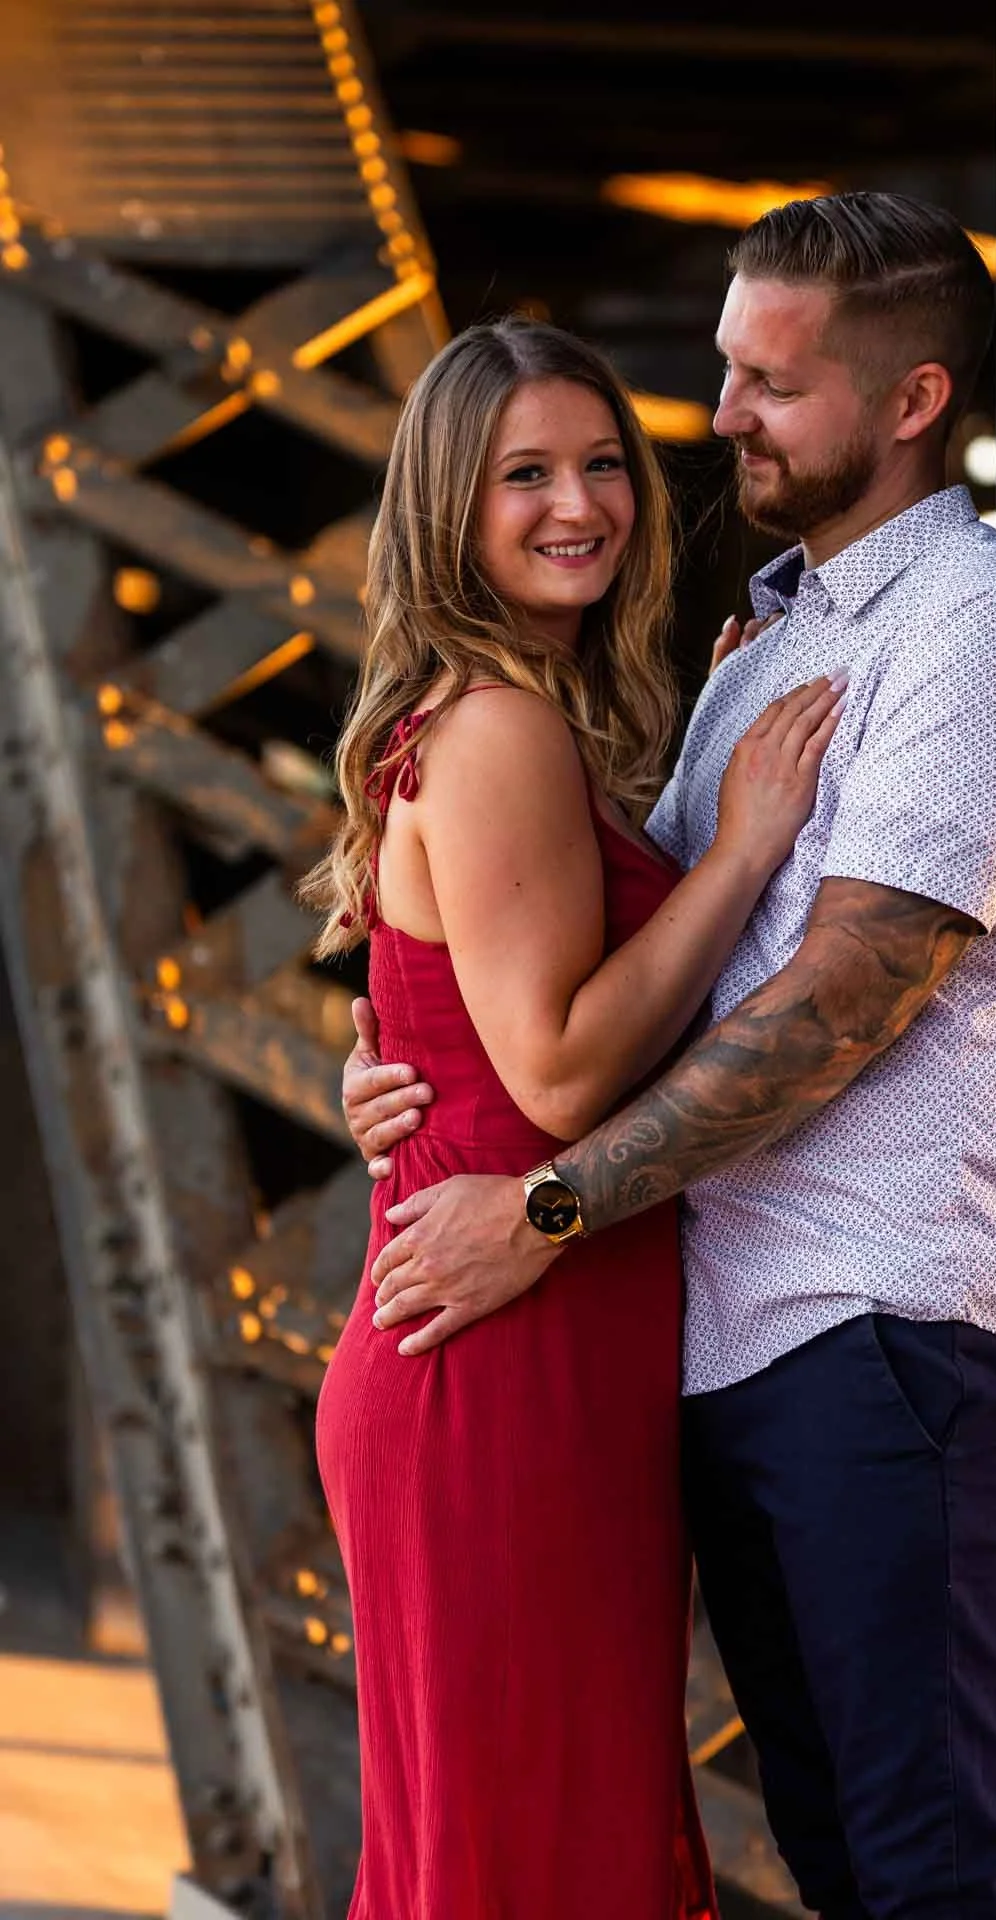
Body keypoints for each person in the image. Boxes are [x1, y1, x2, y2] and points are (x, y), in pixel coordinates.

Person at [345, 193, 996, 1920]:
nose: (712, 422)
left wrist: (543, 1206)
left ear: (911, 401)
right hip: (725, 1340)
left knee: (923, 1862)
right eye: (718, 368)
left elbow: (844, 995)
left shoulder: (974, 634)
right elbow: (568, 977)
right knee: (836, 1853)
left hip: (889, 1323)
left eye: (764, 381)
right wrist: (396, 1047)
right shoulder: (763, 652)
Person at [303, 316, 843, 1920]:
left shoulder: (511, 718)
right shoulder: (497, 728)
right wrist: (743, 846)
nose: (577, 504)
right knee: (531, 1864)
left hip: (531, 1345)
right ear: (444, 510)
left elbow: (466, 1030)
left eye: (601, 463)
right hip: (502, 1365)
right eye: (522, 474)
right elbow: (550, 1072)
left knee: (527, 1849)